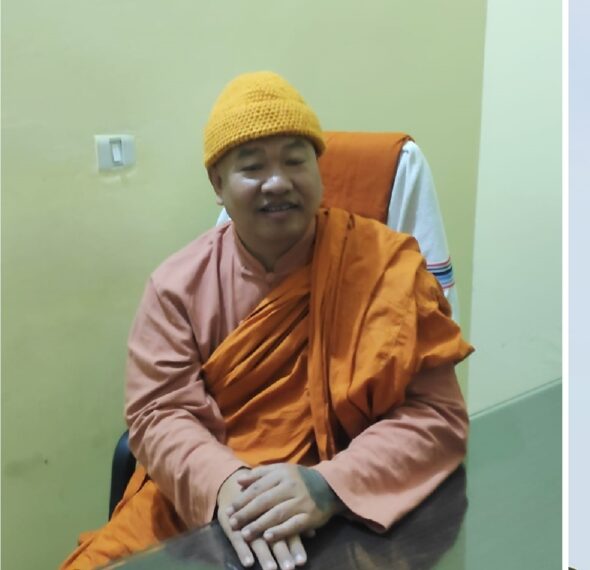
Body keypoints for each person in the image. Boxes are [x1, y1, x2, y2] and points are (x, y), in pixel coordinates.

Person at [61, 71, 473, 570]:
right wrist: (226, 486)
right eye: (252, 167)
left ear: (319, 170)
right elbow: (157, 413)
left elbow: (436, 414)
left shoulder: (388, 267)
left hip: (350, 510)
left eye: (295, 160)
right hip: (202, 506)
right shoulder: (177, 286)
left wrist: (329, 485)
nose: (278, 182)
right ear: (218, 185)